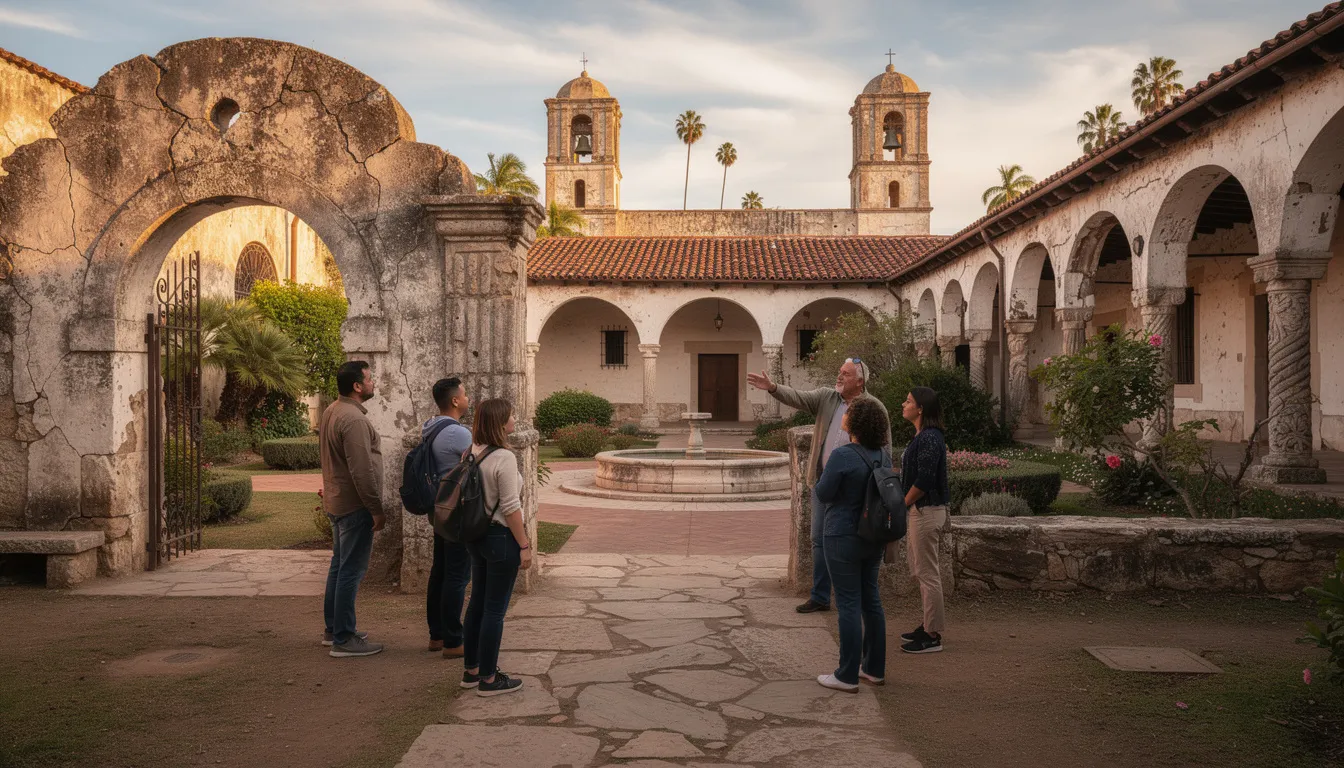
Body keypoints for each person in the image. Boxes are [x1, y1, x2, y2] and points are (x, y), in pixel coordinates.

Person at [747, 357, 889, 614]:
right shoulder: (827, 398)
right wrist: (772, 387)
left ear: (860, 381)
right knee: (818, 539)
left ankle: (854, 594)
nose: (839, 376)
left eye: (845, 374)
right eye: (839, 371)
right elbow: (798, 397)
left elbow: (884, 449)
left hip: (857, 490)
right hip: (823, 483)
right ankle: (821, 595)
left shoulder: (873, 407)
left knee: (855, 539)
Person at [813, 397, 890, 692]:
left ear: (854, 423)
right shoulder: (882, 455)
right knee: (871, 600)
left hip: (842, 535)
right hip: (873, 536)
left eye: (849, 414)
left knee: (847, 603)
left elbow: (823, 493)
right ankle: (873, 668)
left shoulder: (843, 456)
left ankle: (846, 674)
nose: (844, 417)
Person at [460, 398, 533, 696]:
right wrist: (524, 544)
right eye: (511, 416)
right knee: (494, 611)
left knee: (477, 603)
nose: (514, 419)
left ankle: (472, 670)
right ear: (500, 423)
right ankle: (489, 679)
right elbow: (511, 507)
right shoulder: (503, 457)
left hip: (476, 536)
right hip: (500, 538)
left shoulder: (471, 452)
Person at [320, 360, 385, 658]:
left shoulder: (333, 410)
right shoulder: (354, 419)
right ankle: (344, 639)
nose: (374, 383)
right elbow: (362, 471)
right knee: (350, 571)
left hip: (337, 501)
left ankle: (334, 629)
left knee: (339, 566)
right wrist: (375, 508)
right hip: (354, 505)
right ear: (357, 386)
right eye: (370, 379)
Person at [424, 377, 475, 657]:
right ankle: (454, 641)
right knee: (456, 575)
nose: (468, 399)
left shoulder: (430, 426)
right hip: (455, 512)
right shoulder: (458, 433)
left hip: (438, 509)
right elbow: (478, 464)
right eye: (465, 394)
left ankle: (437, 635)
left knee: (440, 572)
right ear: (455, 400)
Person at [899, 386, 950, 654]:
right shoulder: (922, 436)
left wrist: (902, 502)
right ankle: (928, 624)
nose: (903, 404)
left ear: (921, 408)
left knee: (928, 573)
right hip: (921, 510)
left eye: (908, 402)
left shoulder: (930, 438)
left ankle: (932, 635)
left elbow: (926, 479)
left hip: (926, 510)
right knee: (922, 571)